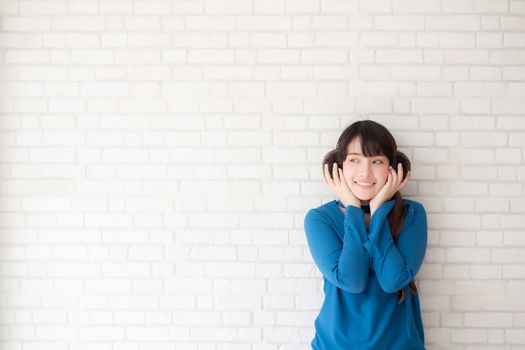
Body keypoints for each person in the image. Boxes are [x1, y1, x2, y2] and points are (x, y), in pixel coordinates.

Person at [303, 120, 427, 350]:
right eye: (355, 160)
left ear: (393, 167)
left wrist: (378, 210)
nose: (365, 172)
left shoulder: (412, 214)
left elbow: (393, 281)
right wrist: (353, 211)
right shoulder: (319, 219)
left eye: (377, 161)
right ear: (339, 166)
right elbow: (352, 281)